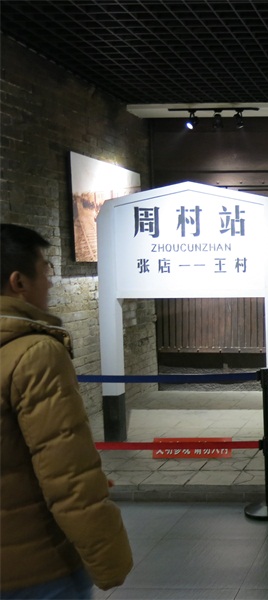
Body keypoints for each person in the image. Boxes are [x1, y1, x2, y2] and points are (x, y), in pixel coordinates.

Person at [1, 224, 133, 598]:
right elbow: (69, 478)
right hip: (36, 568)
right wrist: (111, 562)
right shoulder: (34, 355)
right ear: (18, 282)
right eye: (45, 271)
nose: (50, 282)